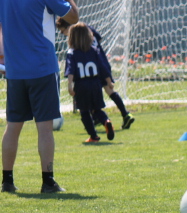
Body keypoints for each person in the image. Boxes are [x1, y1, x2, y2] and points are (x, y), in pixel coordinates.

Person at [0, 0, 79, 194]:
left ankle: (7, 181)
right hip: (42, 68)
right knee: (45, 128)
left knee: (12, 127)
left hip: (15, 70)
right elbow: (73, 18)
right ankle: (48, 181)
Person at [57, 18, 135, 130]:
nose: (62, 33)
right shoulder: (87, 28)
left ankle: (96, 119)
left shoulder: (77, 37)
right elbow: (99, 38)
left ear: (69, 27)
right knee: (109, 90)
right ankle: (125, 114)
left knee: (87, 91)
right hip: (101, 62)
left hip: (90, 66)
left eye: (62, 30)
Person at [65, 22, 115, 144]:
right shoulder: (94, 50)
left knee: (84, 112)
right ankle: (106, 121)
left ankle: (93, 136)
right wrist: (109, 81)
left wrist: (70, 85)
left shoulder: (72, 53)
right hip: (95, 84)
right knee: (97, 109)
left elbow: (70, 70)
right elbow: (103, 67)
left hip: (81, 85)